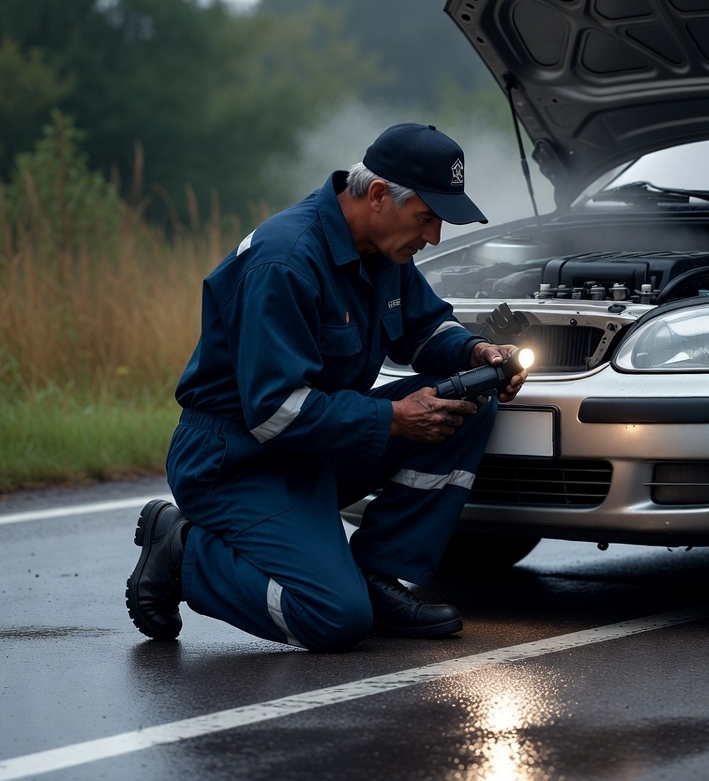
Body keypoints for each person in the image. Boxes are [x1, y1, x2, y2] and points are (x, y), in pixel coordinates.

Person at [125, 123, 527, 650]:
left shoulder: (385, 249)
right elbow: (273, 412)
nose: (434, 238)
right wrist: (393, 418)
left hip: (316, 447)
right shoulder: (285, 260)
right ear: (379, 196)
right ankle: (183, 549)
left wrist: (477, 352)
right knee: (333, 618)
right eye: (426, 218)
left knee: (465, 404)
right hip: (238, 462)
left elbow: (424, 327)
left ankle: (379, 574)